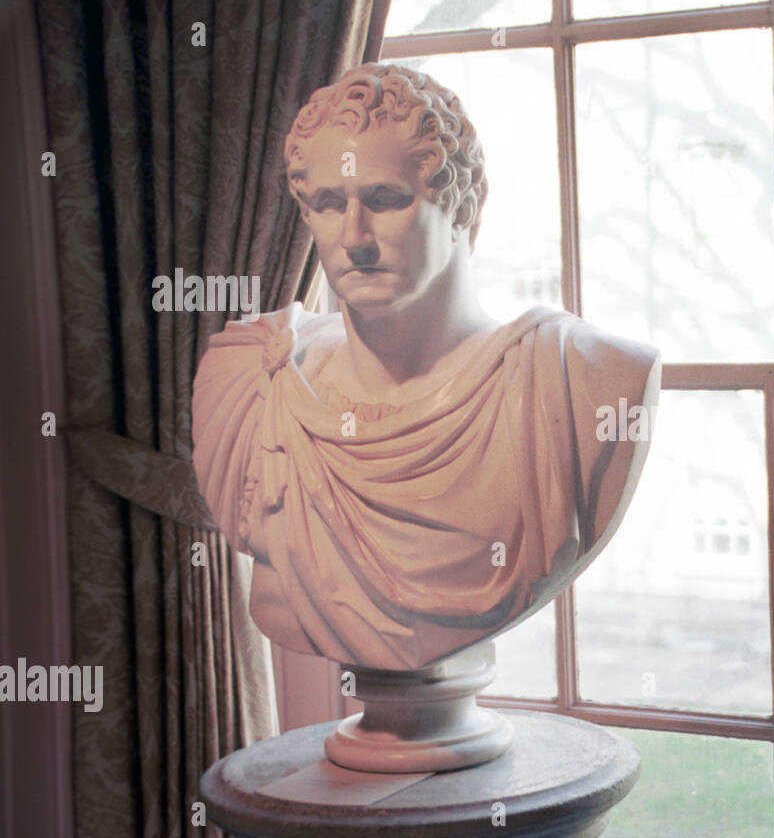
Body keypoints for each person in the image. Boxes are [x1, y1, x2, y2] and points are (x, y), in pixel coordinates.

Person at [192, 63, 660, 672]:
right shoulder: (253, 379)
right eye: (329, 205)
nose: (354, 238)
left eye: (386, 200)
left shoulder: (581, 384)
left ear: (464, 207)